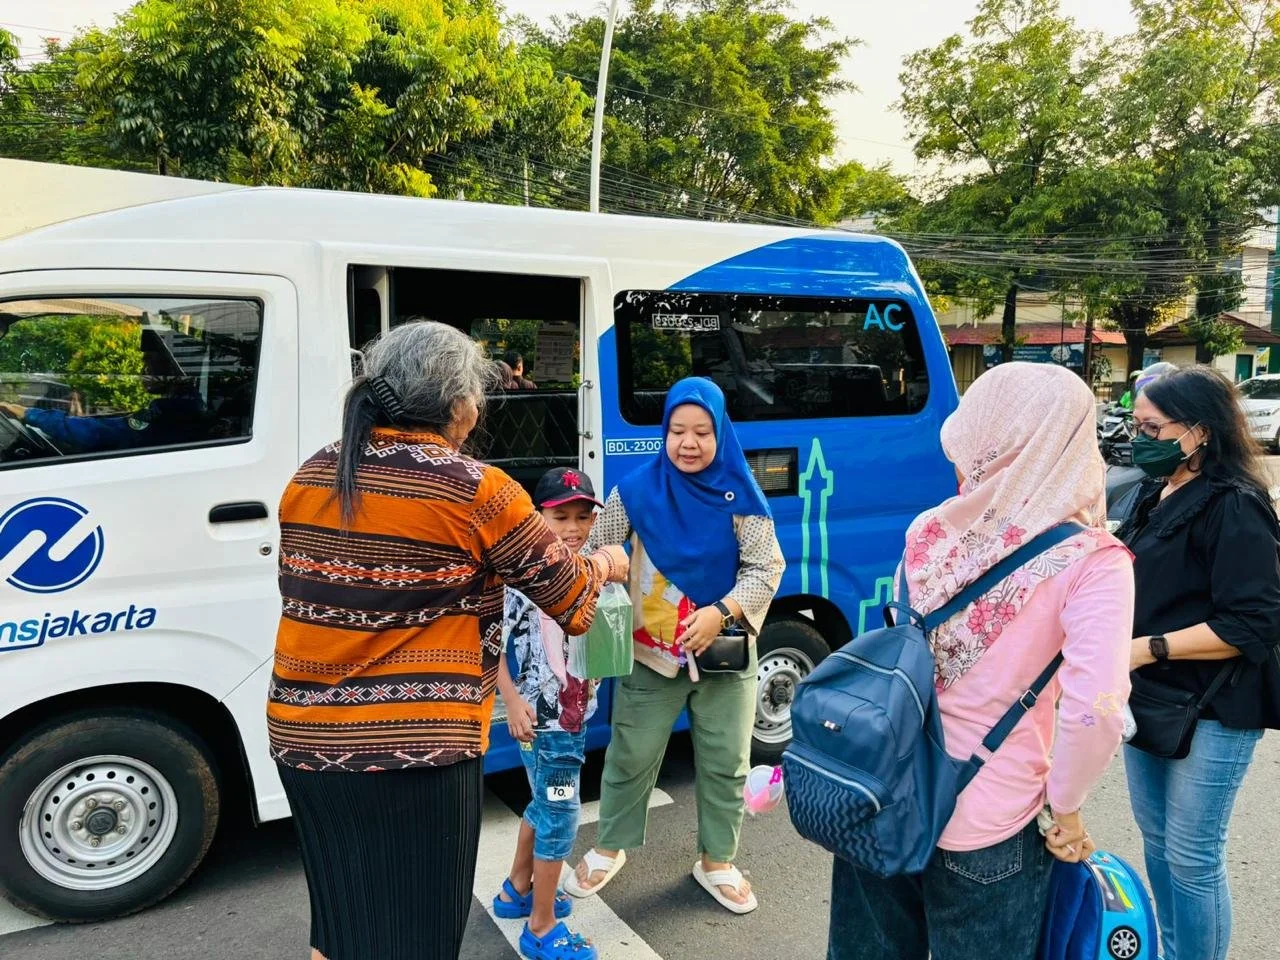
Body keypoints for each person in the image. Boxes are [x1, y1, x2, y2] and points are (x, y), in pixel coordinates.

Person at [267, 320, 629, 960]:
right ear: (459, 404)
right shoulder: (476, 490)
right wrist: (606, 565)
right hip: (417, 747)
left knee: (341, 918)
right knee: (421, 934)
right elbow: (572, 601)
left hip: (304, 737)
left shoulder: (315, 474)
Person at [828, 362, 1135, 960]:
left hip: (883, 792)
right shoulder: (1092, 561)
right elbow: (1095, 711)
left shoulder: (930, 529)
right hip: (989, 822)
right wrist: (1066, 810)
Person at [566, 377, 785, 914]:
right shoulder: (636, 491)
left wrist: (720, 612)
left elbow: (767, 567)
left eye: (703, 432)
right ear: (664, 432)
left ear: (720, 433)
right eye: (678, 431)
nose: (689, 443)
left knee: (726, 762)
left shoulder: (740, 494)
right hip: (649, 653)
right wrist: (607, 570)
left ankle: (717, 861)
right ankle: (610, 847)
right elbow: (597, 547)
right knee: (630, 755)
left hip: (725, 653)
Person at [1120, 365, 1280, 960]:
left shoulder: (1235, 506)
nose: (1141, 439)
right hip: (1148, 698)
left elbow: (1254, 622)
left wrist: (1146, 648)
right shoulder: (1151, 492)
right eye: (1136, 425)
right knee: (1158, 844)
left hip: (1216, 704)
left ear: (1200, 432)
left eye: (1153, 428)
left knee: (1192, 855)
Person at [494, 467, 606, 960]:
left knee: (543, 802)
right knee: (560, 814)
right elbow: (488, 642)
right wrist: (512, 702)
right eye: (561, 516)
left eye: (583, 516)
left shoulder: (583, 571)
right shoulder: (523, 579)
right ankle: (540, 929)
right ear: (539, 518)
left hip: (569, 721)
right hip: (546, 725)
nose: (574, 528)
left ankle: (517, 889)